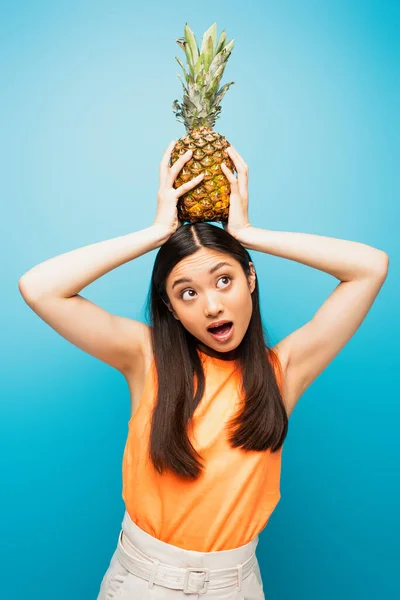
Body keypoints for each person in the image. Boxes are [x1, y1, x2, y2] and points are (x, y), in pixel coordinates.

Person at [18, 142, 389, 599]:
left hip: (236, 584)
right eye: (186, 292)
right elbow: (38, 289)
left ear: (250, 279)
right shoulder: (145, 356)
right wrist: (156, 232)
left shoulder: (284, 370)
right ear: (171, 309)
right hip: (142, 581)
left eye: (224, 279)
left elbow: (371, 268)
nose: (212, 305)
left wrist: (249, 233)